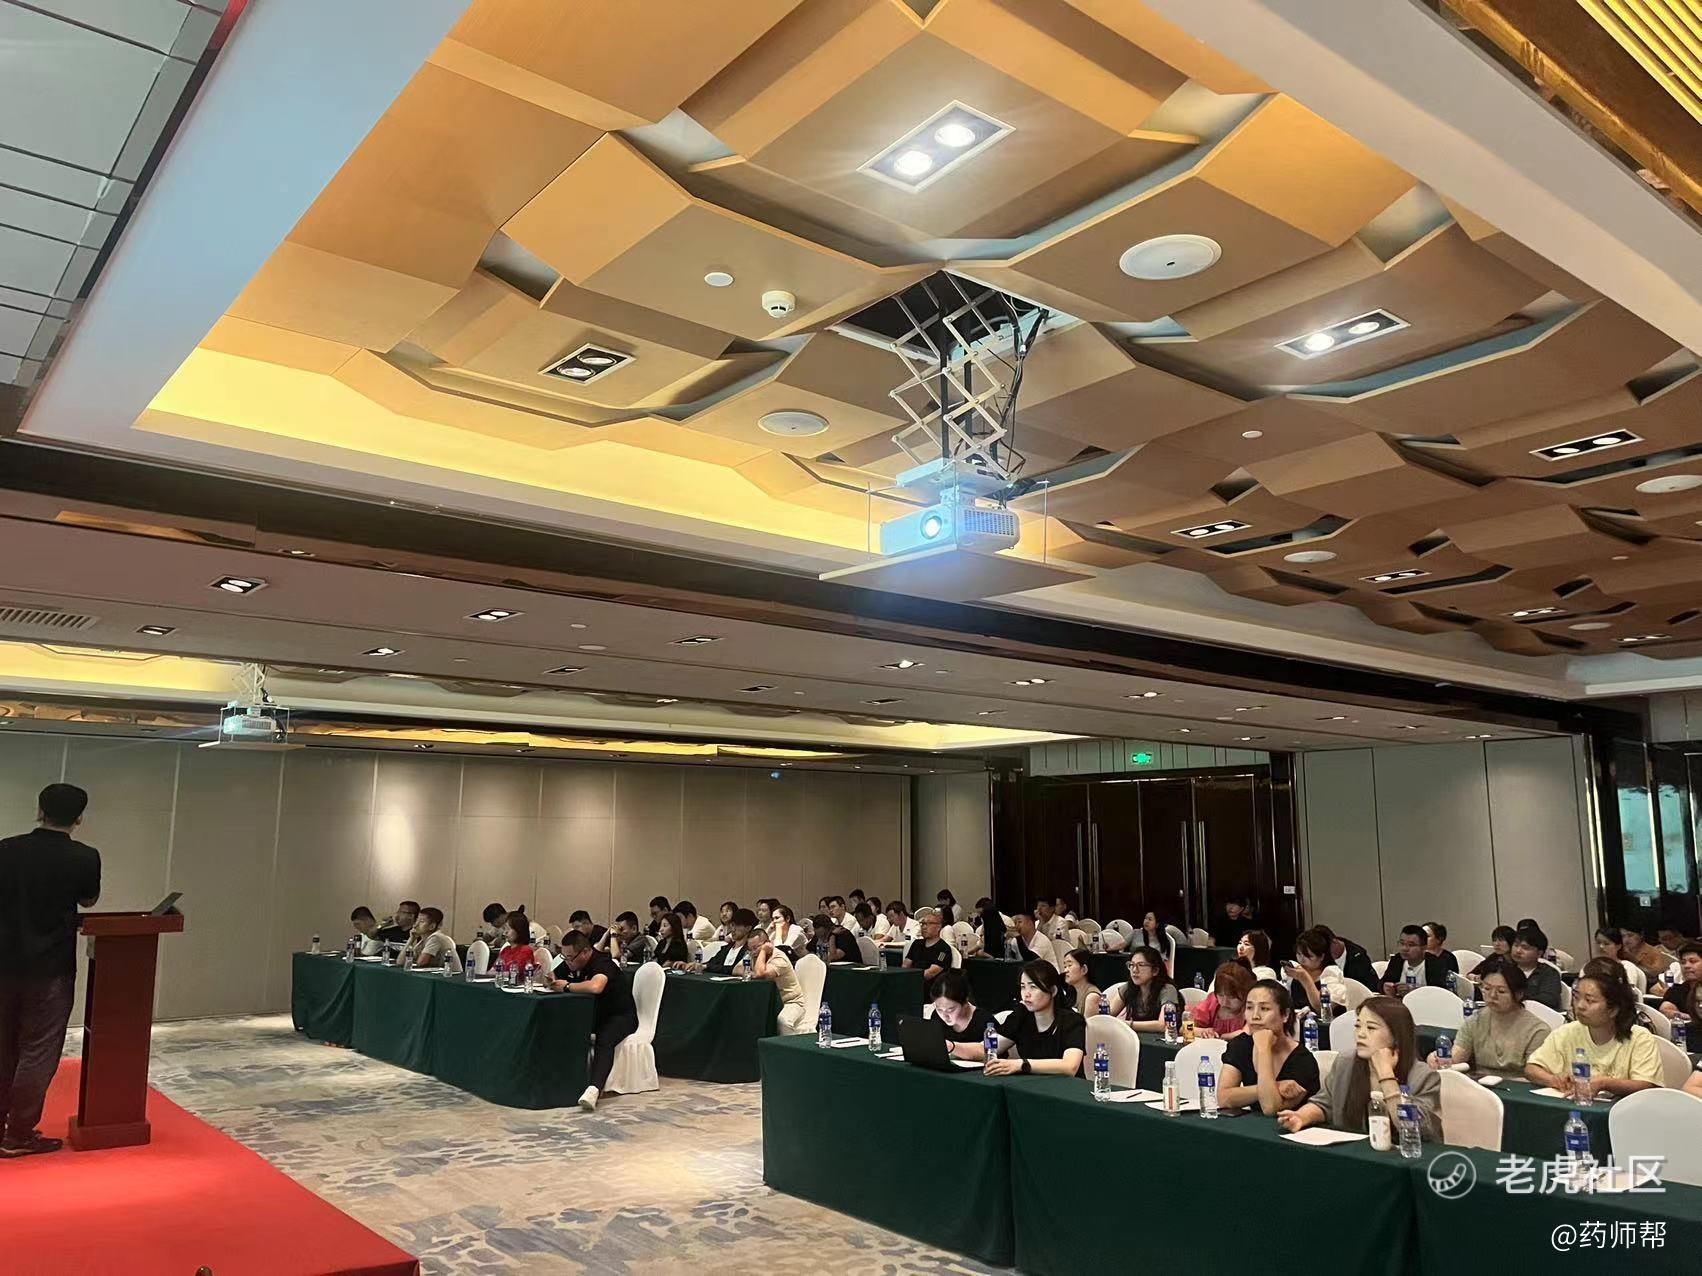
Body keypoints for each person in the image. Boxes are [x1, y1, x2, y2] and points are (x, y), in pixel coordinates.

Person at [0, 783, 100, 1158]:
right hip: (51, 967)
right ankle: (18, 1134)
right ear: (79, 818)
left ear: (40, 810)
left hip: (3, 963)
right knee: (38, 1050)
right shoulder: (84, 857)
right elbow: (88, 899)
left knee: (3, 1045)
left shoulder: (5, 849)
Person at [1278, 996, 1441, 1141]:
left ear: (1397, 1035)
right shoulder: (1345, 1063)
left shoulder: (1423, 1076)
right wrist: (1301, 1116)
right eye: (1357, 1026)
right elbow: (1325, 1103)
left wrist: (1386, 1076)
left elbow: (1416, 1130)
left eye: (1371, 1028)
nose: (1360, 1034)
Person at [1526, 961, 1661, 1098]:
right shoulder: (1567, 1032)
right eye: (1577, 998)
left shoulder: (1639, 1037)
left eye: (1589, 1000)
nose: (1580, 1006)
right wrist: (1555, 1080)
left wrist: (1605, 1083)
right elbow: (1532, 1068)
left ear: (1613, 1009)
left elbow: (1646, 1085)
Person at [549, 932, 638, 1113]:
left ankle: (594, 1089)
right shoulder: (571, 961)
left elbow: (596, 986)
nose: (567, 962)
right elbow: (553, 975)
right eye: (564, 957)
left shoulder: (603, 963)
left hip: (620, 1016)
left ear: (585, 952)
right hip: (593, 1015)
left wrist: (567, 986)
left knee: (604, 1038)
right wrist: (551, 980)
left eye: (570, 958)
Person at [948, 961, 1085, 1076]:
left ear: (1053, 991)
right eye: (1023, 987)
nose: (1026, 994)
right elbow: (985, 1049)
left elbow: (1069, 1066)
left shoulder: (1072, 1021)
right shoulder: (1022, 1014)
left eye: (1033, 987)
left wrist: (1021, 1064)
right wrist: (951, 1046)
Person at [1427, 955, 1549, 1072]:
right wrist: (1437, 1059)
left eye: (1501, 991)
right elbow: (1456, 1058)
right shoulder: (1475, 1020)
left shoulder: (1537, 1031)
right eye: (1486, 988)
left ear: (1519, 994)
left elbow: (1534, 1073)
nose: (1492, 995)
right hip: (1479, 1083)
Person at [1218, 980, 1320, 1115]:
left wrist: (1263, 1049)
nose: (1255, 1016)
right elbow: (1224, 1098)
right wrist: (1276, 1086)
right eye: (1249, 1008)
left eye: (1264, 1009)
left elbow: (1270, 1108)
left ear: (1285, 1015)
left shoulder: (1303, 1060)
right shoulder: (1241, 1045)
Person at [1107, 945, 1182, 1032]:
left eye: (1141, 965)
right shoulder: (1128, 988)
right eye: (1131, 965)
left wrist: (1128, 1024)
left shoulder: (1168, 989)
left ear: (1155, 971)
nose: (1134, 970)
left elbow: (1164, 1025)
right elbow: (1107, 1016)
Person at [749, 930, 808, 1034]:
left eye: (756, 947)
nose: (753, 952)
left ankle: (788, 1045)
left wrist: (763, 951)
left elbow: (760, 973)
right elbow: (737, 969)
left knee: (783, 1021)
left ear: (768, 943)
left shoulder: (779, 958)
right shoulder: (754, 955)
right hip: (771, 1002)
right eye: (750, 949)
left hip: (791, 1002)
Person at [1284, 926, 1348, 1017]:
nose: (1302, 960)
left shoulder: (1331, 973)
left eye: (1309, 956)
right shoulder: (1295, 972)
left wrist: (1305, 979)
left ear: (1321, 957)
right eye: (1299, 954)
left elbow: (1322, 1009)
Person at [1381, 924, 1450, 996]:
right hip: (1398, 1001)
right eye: (1402, 943)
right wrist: (1384, 987)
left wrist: (1414, 991)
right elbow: (1382, 982)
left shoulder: (1436, 963)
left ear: (1424, 948)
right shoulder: (1397, 960)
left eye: (1411, 945)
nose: (1404, 948)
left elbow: (1440, 991)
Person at [930, 968, 994, 1043]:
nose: (944, 1016)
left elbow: (994, 1049)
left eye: (950, 1010)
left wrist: (951, 1046)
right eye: (939, 1009)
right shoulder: (936, 1018)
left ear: (965, 1002)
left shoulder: (986, 1023)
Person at [1191, 962, 1254, 1039]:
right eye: (1220, 995)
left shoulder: (1250, 1008)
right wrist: (1203, 1031)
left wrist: (1219, 1036)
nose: (1225, 1002)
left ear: (1245, 994)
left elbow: (1245, 1033)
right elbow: (1185, 1028)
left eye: (1231, 997)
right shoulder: (1212, 1003)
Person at [1509, 924, 1564, 1010]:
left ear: (1539, 953)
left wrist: (1517, 999)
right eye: (1516, 945)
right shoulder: (1505, 969)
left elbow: (1549, 999)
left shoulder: (1549, 973)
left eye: (1525, 948)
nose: (1518, 951)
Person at [904, 907, 954, 995]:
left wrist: (910, 979)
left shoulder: (943, 949)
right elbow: (905, 965)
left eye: (929, 924)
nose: (924, 927)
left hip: (930, 989)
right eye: (922, 924)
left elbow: (931, 973)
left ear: (938, 927)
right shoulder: (917, 944)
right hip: (911, 982)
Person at [401, 907, 461, 972]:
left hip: (450, 976)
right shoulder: (422, 941)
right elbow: (400, 962)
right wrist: (411, 940)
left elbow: (421, 963)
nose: (415, 925)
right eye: (416, 920)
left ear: (432, 926)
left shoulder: (436, 937)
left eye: (421, 922)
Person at [1658, 942, 1702, 1020]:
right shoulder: (1677, 989)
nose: (1686, 966)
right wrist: (1692, 1018)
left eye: (1693, 961)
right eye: (1683, 962)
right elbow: (1665, 1009)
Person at [496, 911, 544, 978]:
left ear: (519, 930)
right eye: (504, 929)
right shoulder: (505, 950)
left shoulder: (525, 950)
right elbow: (492, 970)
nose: (505, 933)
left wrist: (498, 973)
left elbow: (514, 973)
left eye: (508, 929)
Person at [1061, 948, 1102, 1018]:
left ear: (1084, 969)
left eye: (1069, 965)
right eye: (1065, 966)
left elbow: (1088, 1024)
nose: (1065, 970)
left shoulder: (1092, 997)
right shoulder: (1071, 992)